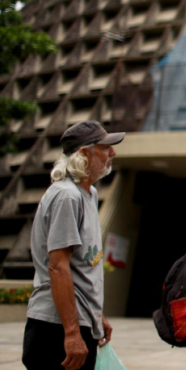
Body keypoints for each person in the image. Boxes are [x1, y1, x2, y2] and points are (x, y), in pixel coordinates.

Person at [22, 121, 125, 370]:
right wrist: (71, 333)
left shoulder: (87, 194)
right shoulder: (67, 196)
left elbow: (82, 266)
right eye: (105, 147)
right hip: (55, 328)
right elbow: (58, 267)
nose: (113, 153)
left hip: (78, 322)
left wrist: (96, 316)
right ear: (84, 154)